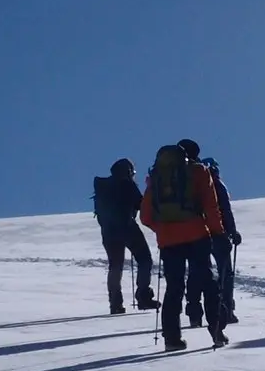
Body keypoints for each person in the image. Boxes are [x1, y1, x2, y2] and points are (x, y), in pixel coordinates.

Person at [140, 141, 228, 351]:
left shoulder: (157, 177)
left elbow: (145, 216)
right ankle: (216, 332)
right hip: (197, 235)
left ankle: (172, 339)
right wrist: (218, 232)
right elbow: (211, 206)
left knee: (174, 288)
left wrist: (162, 230)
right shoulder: (199, 171)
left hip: (168, 242)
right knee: (207, 282)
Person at [185, 143, 241, 327]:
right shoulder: (215, 183)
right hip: (216, 233)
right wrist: (232, 232)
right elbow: (224, 210)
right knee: (225, 272)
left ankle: (195, 314)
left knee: (197, 272)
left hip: (195, 233)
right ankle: (225, 310)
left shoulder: (190, 180)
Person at [92, 158, 156, 315]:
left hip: (108, 232)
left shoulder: (103, 187)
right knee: (145, 259)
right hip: (127, 227)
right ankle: (143, 296)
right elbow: (140, 205)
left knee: (115, 266)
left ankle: (115, 303)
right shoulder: (127, 184)